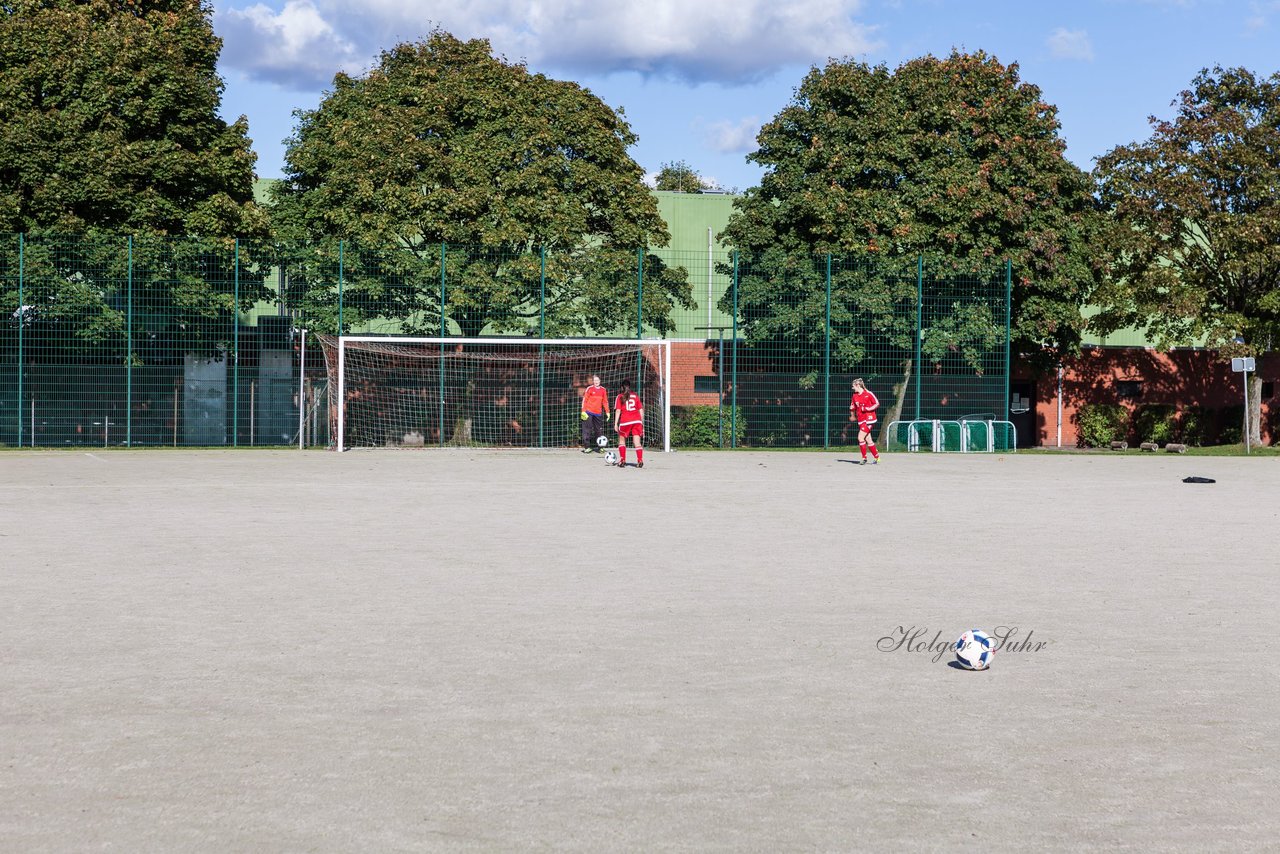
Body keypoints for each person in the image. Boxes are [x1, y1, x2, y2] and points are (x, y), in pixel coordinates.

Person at [613, 379, 645, 469]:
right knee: (637, 442)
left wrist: (615, 423)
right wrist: (641, 423)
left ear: (621, 387)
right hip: (637, 421)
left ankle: (622, 460)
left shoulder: (620, 396)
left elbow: (618, 411)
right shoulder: (635, 396)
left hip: (625, 421)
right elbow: (641, 410)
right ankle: (640, 460)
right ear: (629, 387)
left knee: (622, 441)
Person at [849, 378, 880, 465]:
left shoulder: (868, 393)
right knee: (868, 440)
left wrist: (867, 408)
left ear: (858, 385)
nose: (852, 388)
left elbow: (877, 404)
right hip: (861, 419)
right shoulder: (855, 396)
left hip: (869, 419)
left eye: (853, 386)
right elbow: (852, 407)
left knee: (860, 437)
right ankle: (877, 457)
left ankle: (864, 458)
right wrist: (852, 415)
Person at [580, 374, 610, 453]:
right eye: (595, 380)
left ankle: (601, 447)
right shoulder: (589, 389)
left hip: (598, 413)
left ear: (600, 381)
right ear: (593, 381)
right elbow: (584, 400)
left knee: (599, 431)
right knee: (587, 430)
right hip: (588, 412)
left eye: (598, 380)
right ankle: (587, 447)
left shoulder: (603, 390)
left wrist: (607, 412)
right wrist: (583, 411)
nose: (596, 382)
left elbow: (605, 401)